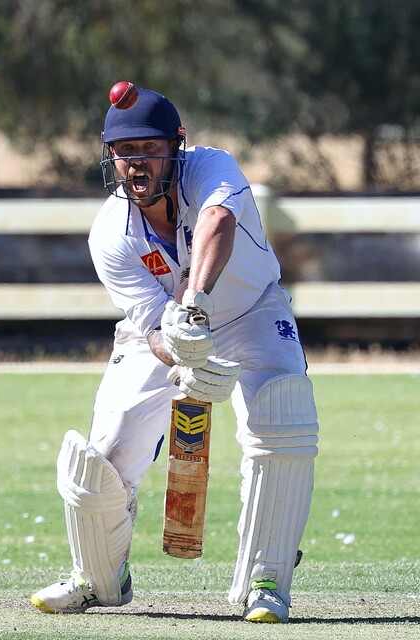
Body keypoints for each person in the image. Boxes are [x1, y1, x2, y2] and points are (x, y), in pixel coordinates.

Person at [31, 86, 319, 623]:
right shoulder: (109, 235)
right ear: (110, 157)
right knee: (104, 454)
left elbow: (218, 222)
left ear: (175, 148)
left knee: (282, 421)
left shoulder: (212, 167)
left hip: (252, 311)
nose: (137, 163)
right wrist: (185, 355)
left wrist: (196, 306)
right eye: (125, 151)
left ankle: (266, 580)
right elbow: (151, 329)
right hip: (166, 330)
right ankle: (98, 578)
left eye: (150, 148)